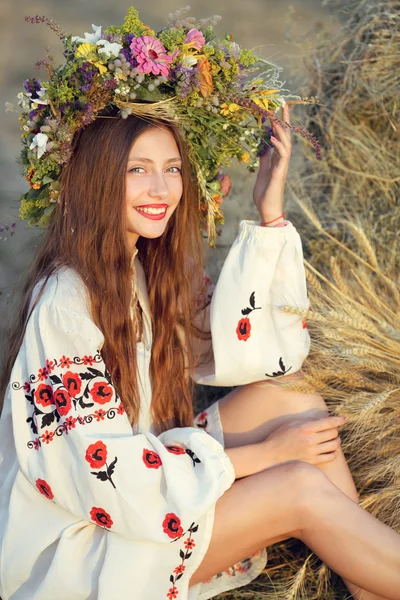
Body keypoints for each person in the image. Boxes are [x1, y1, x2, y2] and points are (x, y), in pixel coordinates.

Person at [1, 9, 400, 600]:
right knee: (296, 483)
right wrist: (261, 456)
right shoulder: (65, 301)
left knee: (295, 400)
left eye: (171, 170)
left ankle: (370, 583)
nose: (161, 190)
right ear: (96, 180)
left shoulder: (139, 270)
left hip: (145, 487)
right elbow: (100, 477)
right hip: (90, 545)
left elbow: (258, 356)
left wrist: (268, 213)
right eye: (138, 171)